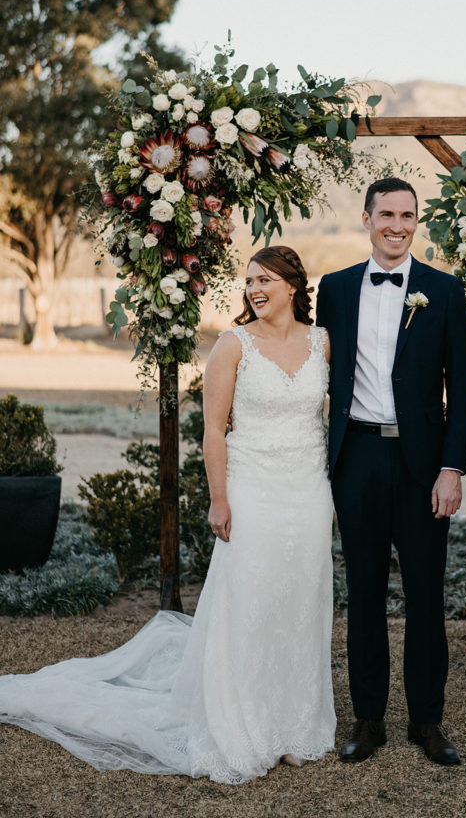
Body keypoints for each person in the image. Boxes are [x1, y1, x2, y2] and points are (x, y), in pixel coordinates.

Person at [0, 246, 335, 784]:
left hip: (308, 492)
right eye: (248, 279)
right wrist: (219, 498)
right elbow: (213, 429)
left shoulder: (322, 342)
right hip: (252, 491)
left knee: (300, 602)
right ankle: (244, 726)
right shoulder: (232, 344)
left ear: (293, 285)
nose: (253, 288)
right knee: (248, 604)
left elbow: (329, 418)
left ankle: (295, 726)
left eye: (265, 279)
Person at [316, 177, 466, 766]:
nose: (398, 225)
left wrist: (451, 468)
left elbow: (461, 392)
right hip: (355, 457)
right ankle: (368, 719)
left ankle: (428, 722)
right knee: (363, 592)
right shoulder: (332, 290)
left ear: (416, 223)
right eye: (387, 214)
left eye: (408, 216)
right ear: (366, 218)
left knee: (426, 592)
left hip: (423, 464)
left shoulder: (445, 291)